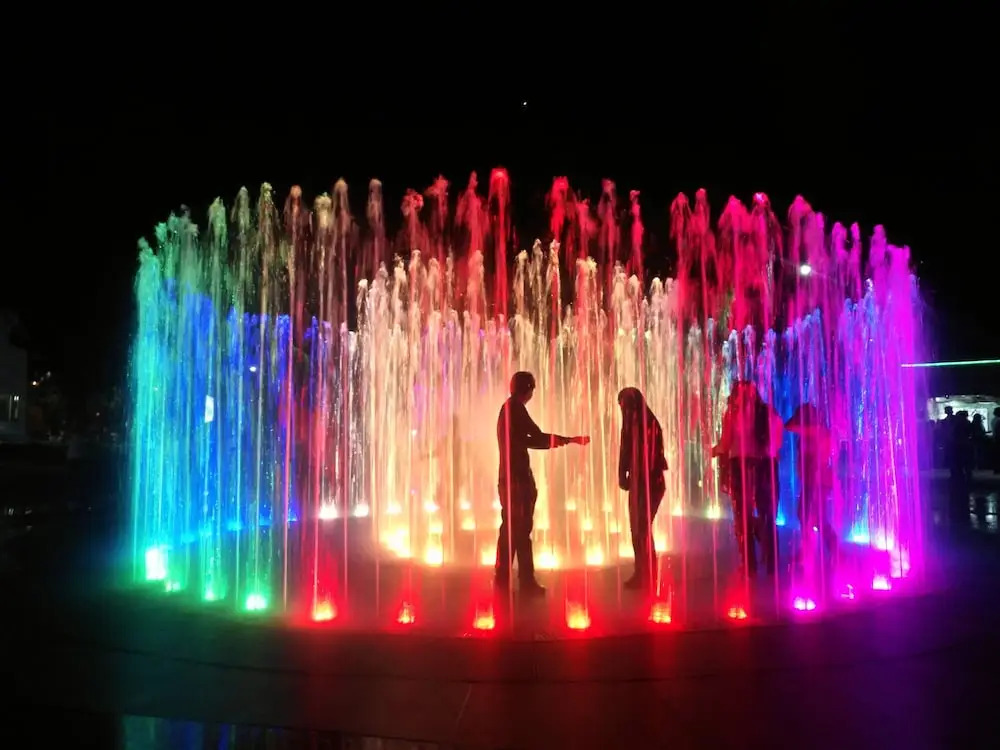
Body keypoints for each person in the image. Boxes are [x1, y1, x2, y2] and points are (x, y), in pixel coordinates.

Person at [496, 371, 589, 595]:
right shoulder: (515, 408)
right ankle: (526, 581)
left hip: (507, 477)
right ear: (527, 389)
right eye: (533, 389)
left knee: (509, 529)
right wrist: (569, 440)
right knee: (521, 530)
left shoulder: (507, 409)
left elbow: (528, 439)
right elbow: (536, 437)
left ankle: (502, 578)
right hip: (518, 479)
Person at [712, 381, 784, 577]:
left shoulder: (733, 413)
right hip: (767, 466)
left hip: (741, 466)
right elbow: (778, 440)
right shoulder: (770, 412)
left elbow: (726, 443)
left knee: (742, 516)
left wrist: (714, 450)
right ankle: (772, 564)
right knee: (768, 515)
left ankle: (749, 565)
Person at [617, 387, 668, 590]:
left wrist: (640, 478)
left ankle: (648, 574)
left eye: (626, 407)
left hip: (651, 483)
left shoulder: (650, 424)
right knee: (637, 528)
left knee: (642, 527)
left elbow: (653, 458)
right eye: (622, 407)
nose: (623, 411)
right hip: (638, 482)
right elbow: (625, 450)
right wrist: (622, 475)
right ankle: (641, 572)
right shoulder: (630, 423)